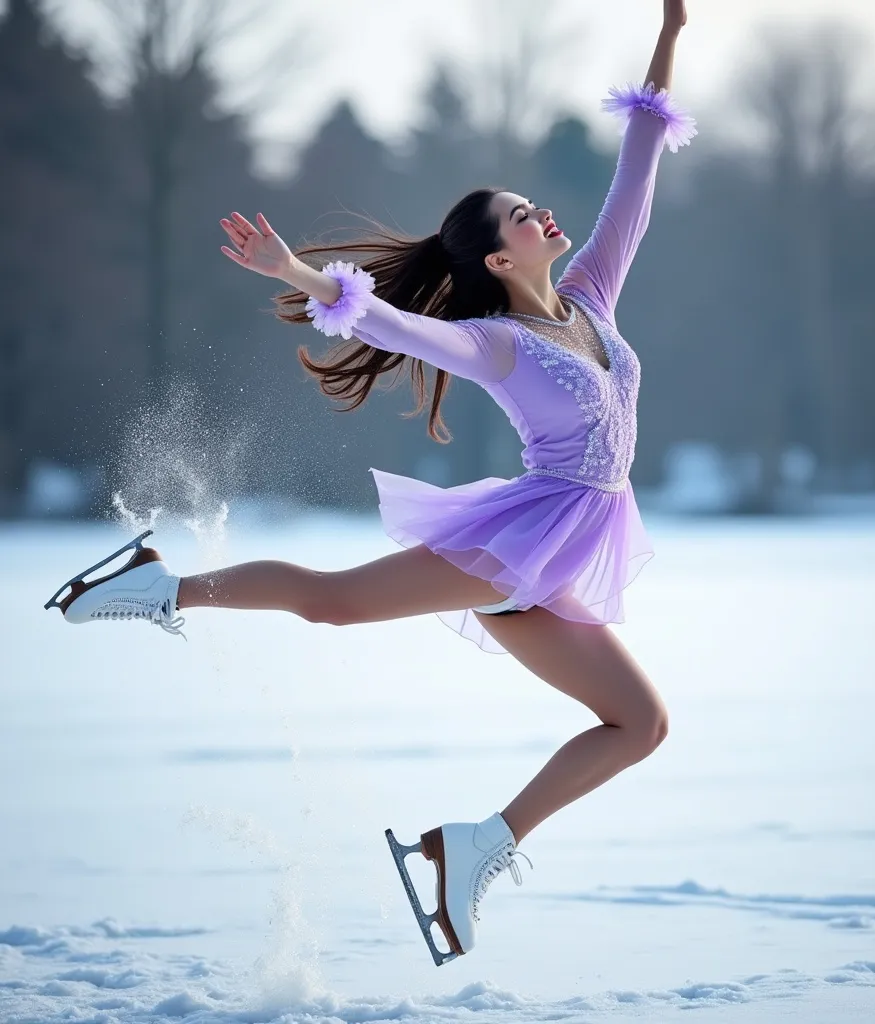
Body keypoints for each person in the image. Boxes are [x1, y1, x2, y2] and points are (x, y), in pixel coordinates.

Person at [45, 1, 697, 965]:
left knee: (640, 724)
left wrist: (671, 34)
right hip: (522, 540)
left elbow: (636, 170)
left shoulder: (592, 298)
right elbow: (396, 327)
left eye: (533, 205)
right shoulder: (494, 342)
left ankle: (475, 846)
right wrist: (300, 273)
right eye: (522, 215)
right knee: (336, 607)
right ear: (496, 255)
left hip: (560, 558)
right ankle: (156, 584)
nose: (541, 214)